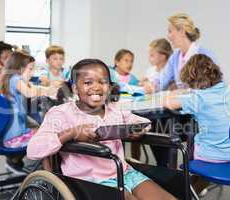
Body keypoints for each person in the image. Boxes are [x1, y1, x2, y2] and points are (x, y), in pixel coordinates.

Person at [27, 58, 176, 200]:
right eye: (87, 82)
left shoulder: (115, 110)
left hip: (124, 173)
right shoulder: (61, 113)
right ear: (74, 88)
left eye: (103, 82)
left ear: (109, 86)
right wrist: (71, 133)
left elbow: (142, 122)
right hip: (89, 180)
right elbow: (33, 150)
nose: (96, 87)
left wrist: (136, 131)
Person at [163, 54, 230, 195]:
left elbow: (168, 103)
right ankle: (193, 190)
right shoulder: (226, 90)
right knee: (198, 136)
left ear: (192, 80)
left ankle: (184, 191)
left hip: (213, 155)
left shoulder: (199, 98)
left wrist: (180, 92)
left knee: (191, 141)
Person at [0, 51, 56, 174]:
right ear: (19, 68)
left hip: (9, 134)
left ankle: (14, 161)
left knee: (38, 128)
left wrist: (43, 88)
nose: (32, 73)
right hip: (14, 138)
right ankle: (49, 173)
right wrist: (47, 90)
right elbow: (30, 93)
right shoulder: (15, 79)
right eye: (30, 69)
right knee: (48, 137)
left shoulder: (11, 79)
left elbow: (31, 89)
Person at [155, 13, 216, 91]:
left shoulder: (204, 55)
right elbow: (162, 80)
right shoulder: (175, 57)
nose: (168, 36)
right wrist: (151, 86)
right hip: (184, 101)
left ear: (182, 32)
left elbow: (211, 87)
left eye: (170, 31)